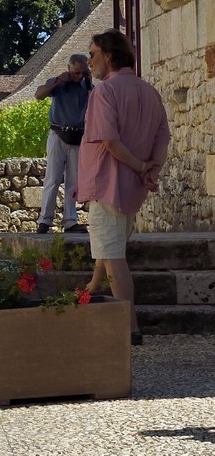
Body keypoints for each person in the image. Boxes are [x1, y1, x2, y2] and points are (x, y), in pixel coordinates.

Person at [77, 30, 169, 347]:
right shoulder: (148, 91)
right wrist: (149, 170)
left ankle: (129, 327)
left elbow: (110, 142)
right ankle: (91, 287)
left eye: (93, 54)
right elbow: (162, 137)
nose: (88, 60)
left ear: (109, 55)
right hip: (132, 189)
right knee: (110, 246)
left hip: (107, 184)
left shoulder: (105, 92)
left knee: (114, 255)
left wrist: (143, 168)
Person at [33, 53, 92, 233]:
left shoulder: (87, 86)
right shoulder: (58, 83)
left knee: (73, 181)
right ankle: (45, 219)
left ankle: (70, 220)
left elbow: (96, 104)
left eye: (82, 73)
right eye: (76, 72)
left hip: (77, 136)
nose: (79, 76)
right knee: (53, 177)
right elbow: (39, 95)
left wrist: (88, 83)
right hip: (58, 133)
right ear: (68, 69)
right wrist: (58, 81)